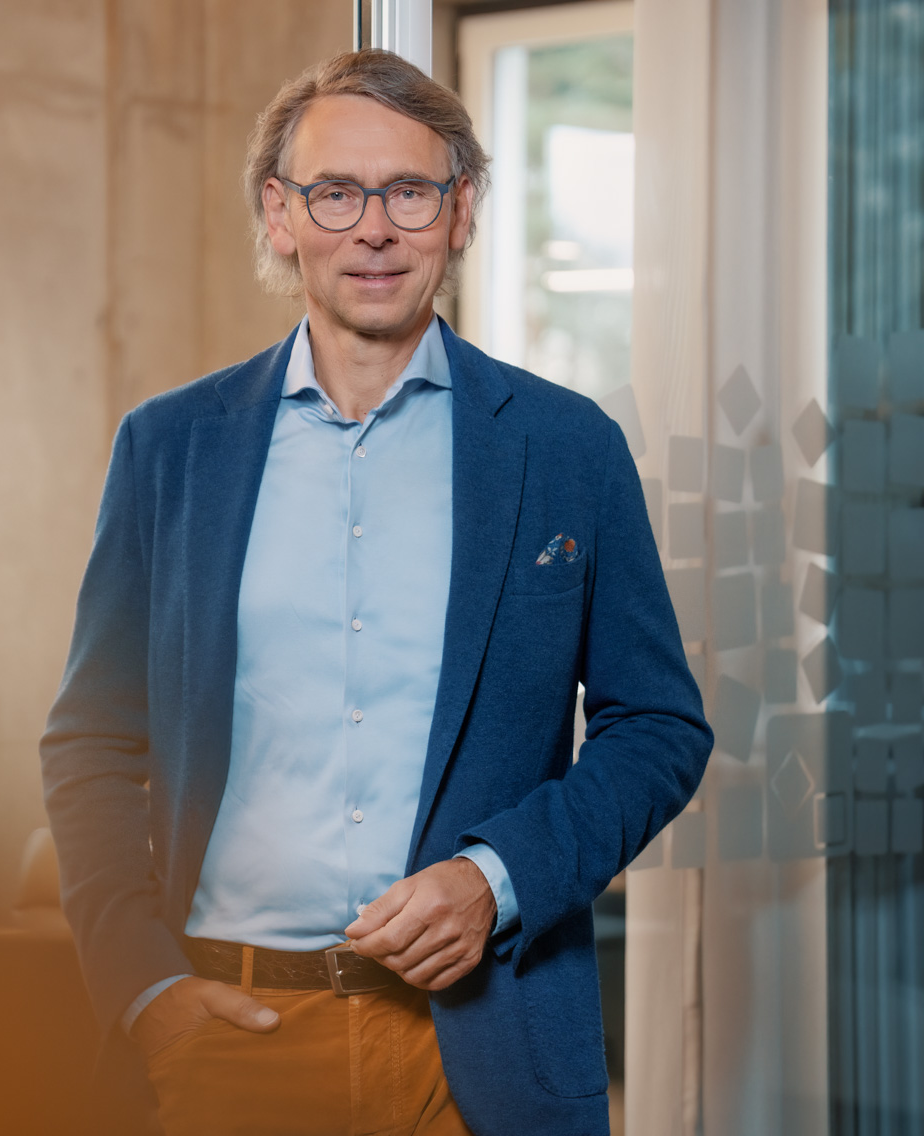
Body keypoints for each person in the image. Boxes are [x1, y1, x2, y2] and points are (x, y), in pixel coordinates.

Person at [40, 48, 711, 1136]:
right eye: (335, 192)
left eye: (409, 190)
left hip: (479, 1048)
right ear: (280, 213)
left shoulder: (565, 447)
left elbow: (657, 726)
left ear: (460, 212)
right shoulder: (169, 448)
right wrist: (143, 988)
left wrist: (495, 877)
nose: (373, 228)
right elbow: (90, 741)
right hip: (229, 1040)